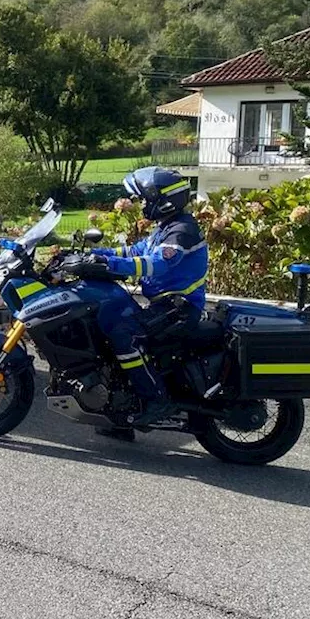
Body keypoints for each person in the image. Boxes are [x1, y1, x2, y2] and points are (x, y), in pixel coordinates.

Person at [90, 167, 208, 428]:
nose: (142, 204)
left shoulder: (182, 231)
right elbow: (133, 249)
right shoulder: (166, 228)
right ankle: (121, 413)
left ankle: (156, 400)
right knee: (107, 325)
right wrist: (95, 255)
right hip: (165, 305)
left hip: (179, 308)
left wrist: (112, 266)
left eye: (146, 199)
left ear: (163, 201)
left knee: (124, 335)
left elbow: (158, 263)